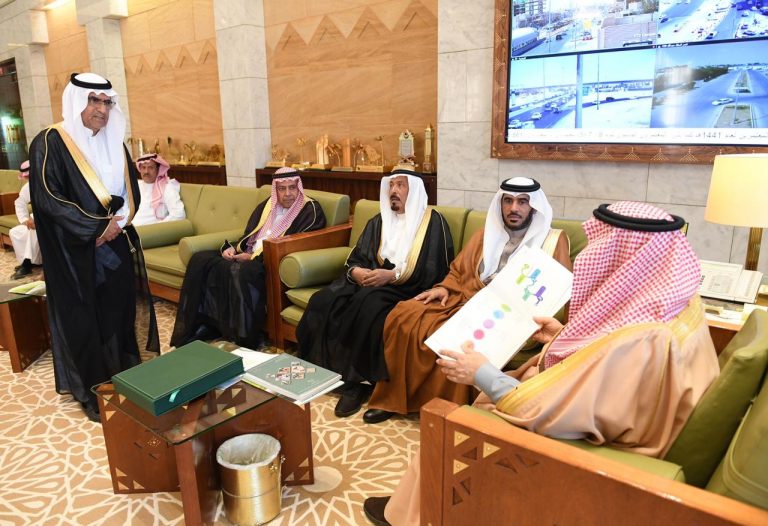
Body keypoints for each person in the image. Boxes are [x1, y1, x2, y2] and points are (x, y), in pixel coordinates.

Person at [363, 201, 720, 526]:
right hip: (605, 425)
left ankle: (412, 515)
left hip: (593, 454)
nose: (590, 254)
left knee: (449, 428)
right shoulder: (673, 304)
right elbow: (609, 370)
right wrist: (560, 336)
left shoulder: (642, 339)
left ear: (628, 258)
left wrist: (482, 373)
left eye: (602, 245)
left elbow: (548, 412)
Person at [363, 177, 571, 424]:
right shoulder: (485, 233)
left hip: (513, 315)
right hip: (468, 298)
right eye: (508, 201)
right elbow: (458, 270)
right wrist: (444, 288)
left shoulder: (552, 241)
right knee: (405, 315)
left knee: (459, 340)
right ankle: (394, 398)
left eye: (522, 202)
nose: (514, 208)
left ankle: (452, 411)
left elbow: (559, 291)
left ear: (534, 207)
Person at [28, 72, 159, 422]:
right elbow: (48, 197)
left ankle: (125, 373)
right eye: (93, 101)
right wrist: (95, 228)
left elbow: (130, 189)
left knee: (119, 309)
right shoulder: (51, 141)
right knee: (84, 319)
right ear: (76, 101)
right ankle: (92, 390)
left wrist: (118, 223)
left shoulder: (115, 140)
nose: (101, 109)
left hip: (115, 242)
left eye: (106, 102)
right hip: (73, 251)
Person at [297, 169, 454, 418]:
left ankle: (356, 383)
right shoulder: (379, 220)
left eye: (400, 185)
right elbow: (358, 256)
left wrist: (392, 276)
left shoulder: (433, 222)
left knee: (367, 305)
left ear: (413, 190)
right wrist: (357, 272)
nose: (394, 191)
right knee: (324, 300)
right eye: (391, 185)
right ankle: (322, 369)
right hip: (372, 281)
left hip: (408, 287)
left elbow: (435, 268)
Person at [170, 167, 326, 350]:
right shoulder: (267, 205)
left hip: (272, 261)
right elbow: (249, 235)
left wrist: (253, 257)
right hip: (250, 253)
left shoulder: (310, 210)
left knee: (243, 271)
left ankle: (244, 336)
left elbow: (297, 244)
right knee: (200, 260)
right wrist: (233, 248)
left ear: (298, 187)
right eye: (282, 189)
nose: (288, 194)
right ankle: (207, 324)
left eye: (292, 187)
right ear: (275, 190)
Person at [9, 160, 43, 280]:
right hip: (36, 222)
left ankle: (27, 264)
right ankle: (30, 261)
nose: (28, 178)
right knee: (15, 232)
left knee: (33, 228)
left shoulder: (48, 182)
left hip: (51, 222)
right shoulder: (27, 187)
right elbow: (19, 203)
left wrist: (34, 218)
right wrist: (24, 220)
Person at [132, 153, 185, 226]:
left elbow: (179, 214)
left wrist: (157, 227)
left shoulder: (167, 187)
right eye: (143, 167)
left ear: (158, 169)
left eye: (150, 167)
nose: (146, 171)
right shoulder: (136, 185)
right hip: (129, 228)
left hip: (150, 230)